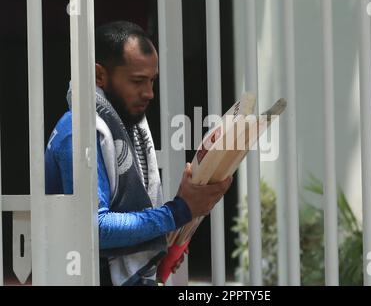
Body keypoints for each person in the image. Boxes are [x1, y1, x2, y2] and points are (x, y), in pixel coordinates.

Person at [44, 21, 233, 286]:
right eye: (137, 81)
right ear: (99, 76)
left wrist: (161, 245)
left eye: (152, 80)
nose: (149, 93)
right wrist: (178, 211)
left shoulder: (122, 124)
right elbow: (94, 228)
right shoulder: (78, 130)